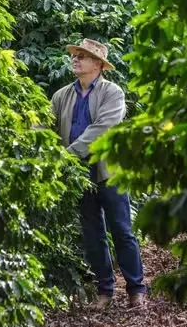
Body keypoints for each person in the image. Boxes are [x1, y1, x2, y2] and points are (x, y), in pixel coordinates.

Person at [51, 38, 147, 309]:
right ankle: (105, 290)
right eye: (75, 55)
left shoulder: (112, 93)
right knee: (92, 234)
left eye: (83, 56)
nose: (76, 59)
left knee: (122, 231)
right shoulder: (62, 95)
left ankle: (136, 289)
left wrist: (66, 155)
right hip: (79, 174)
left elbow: (102, 129)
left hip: (109, 171)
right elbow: (46, 126)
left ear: (98, 65)